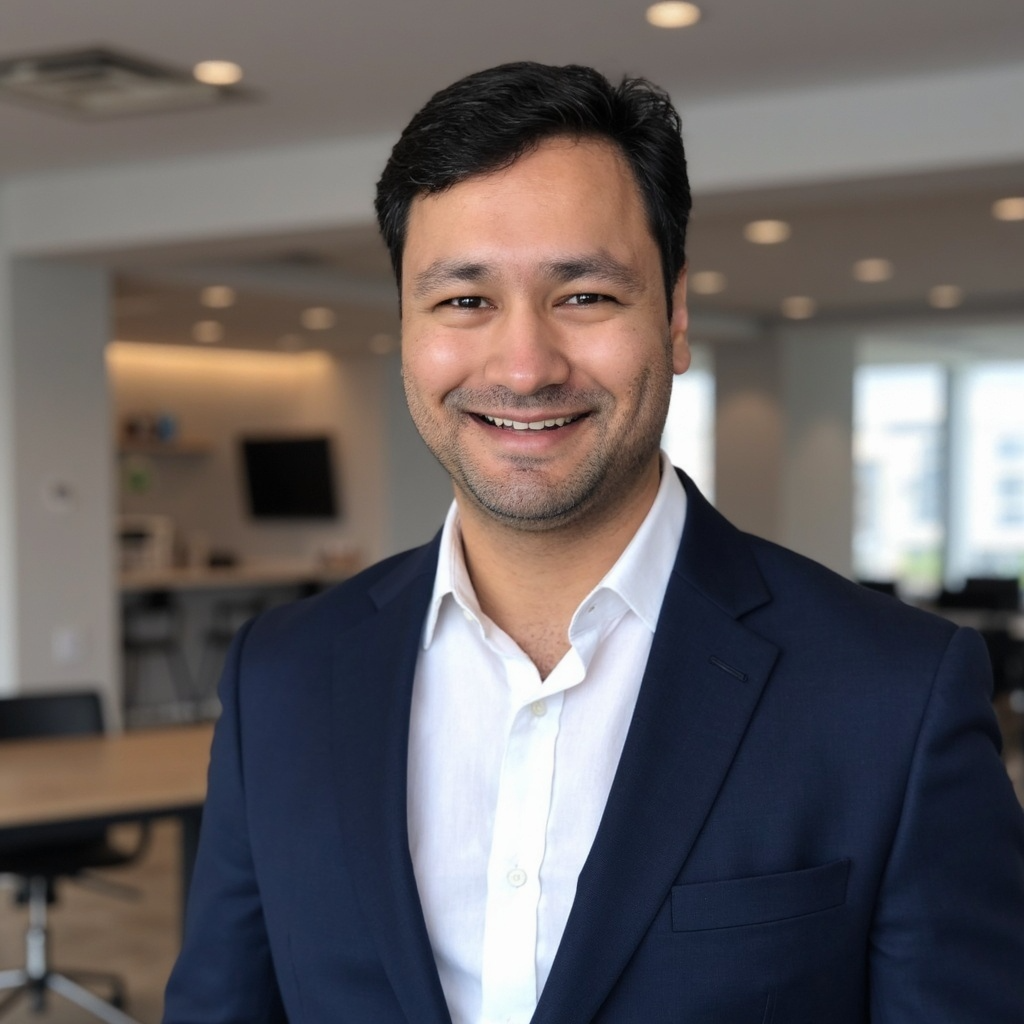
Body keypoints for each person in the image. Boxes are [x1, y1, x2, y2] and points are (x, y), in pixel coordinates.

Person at [163, 62, 1024, 1023]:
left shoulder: (892, 694)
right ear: (406, 326)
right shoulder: (281, 677)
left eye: (584, 296)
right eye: (463, 301)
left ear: (676, 313)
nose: (525, 366)